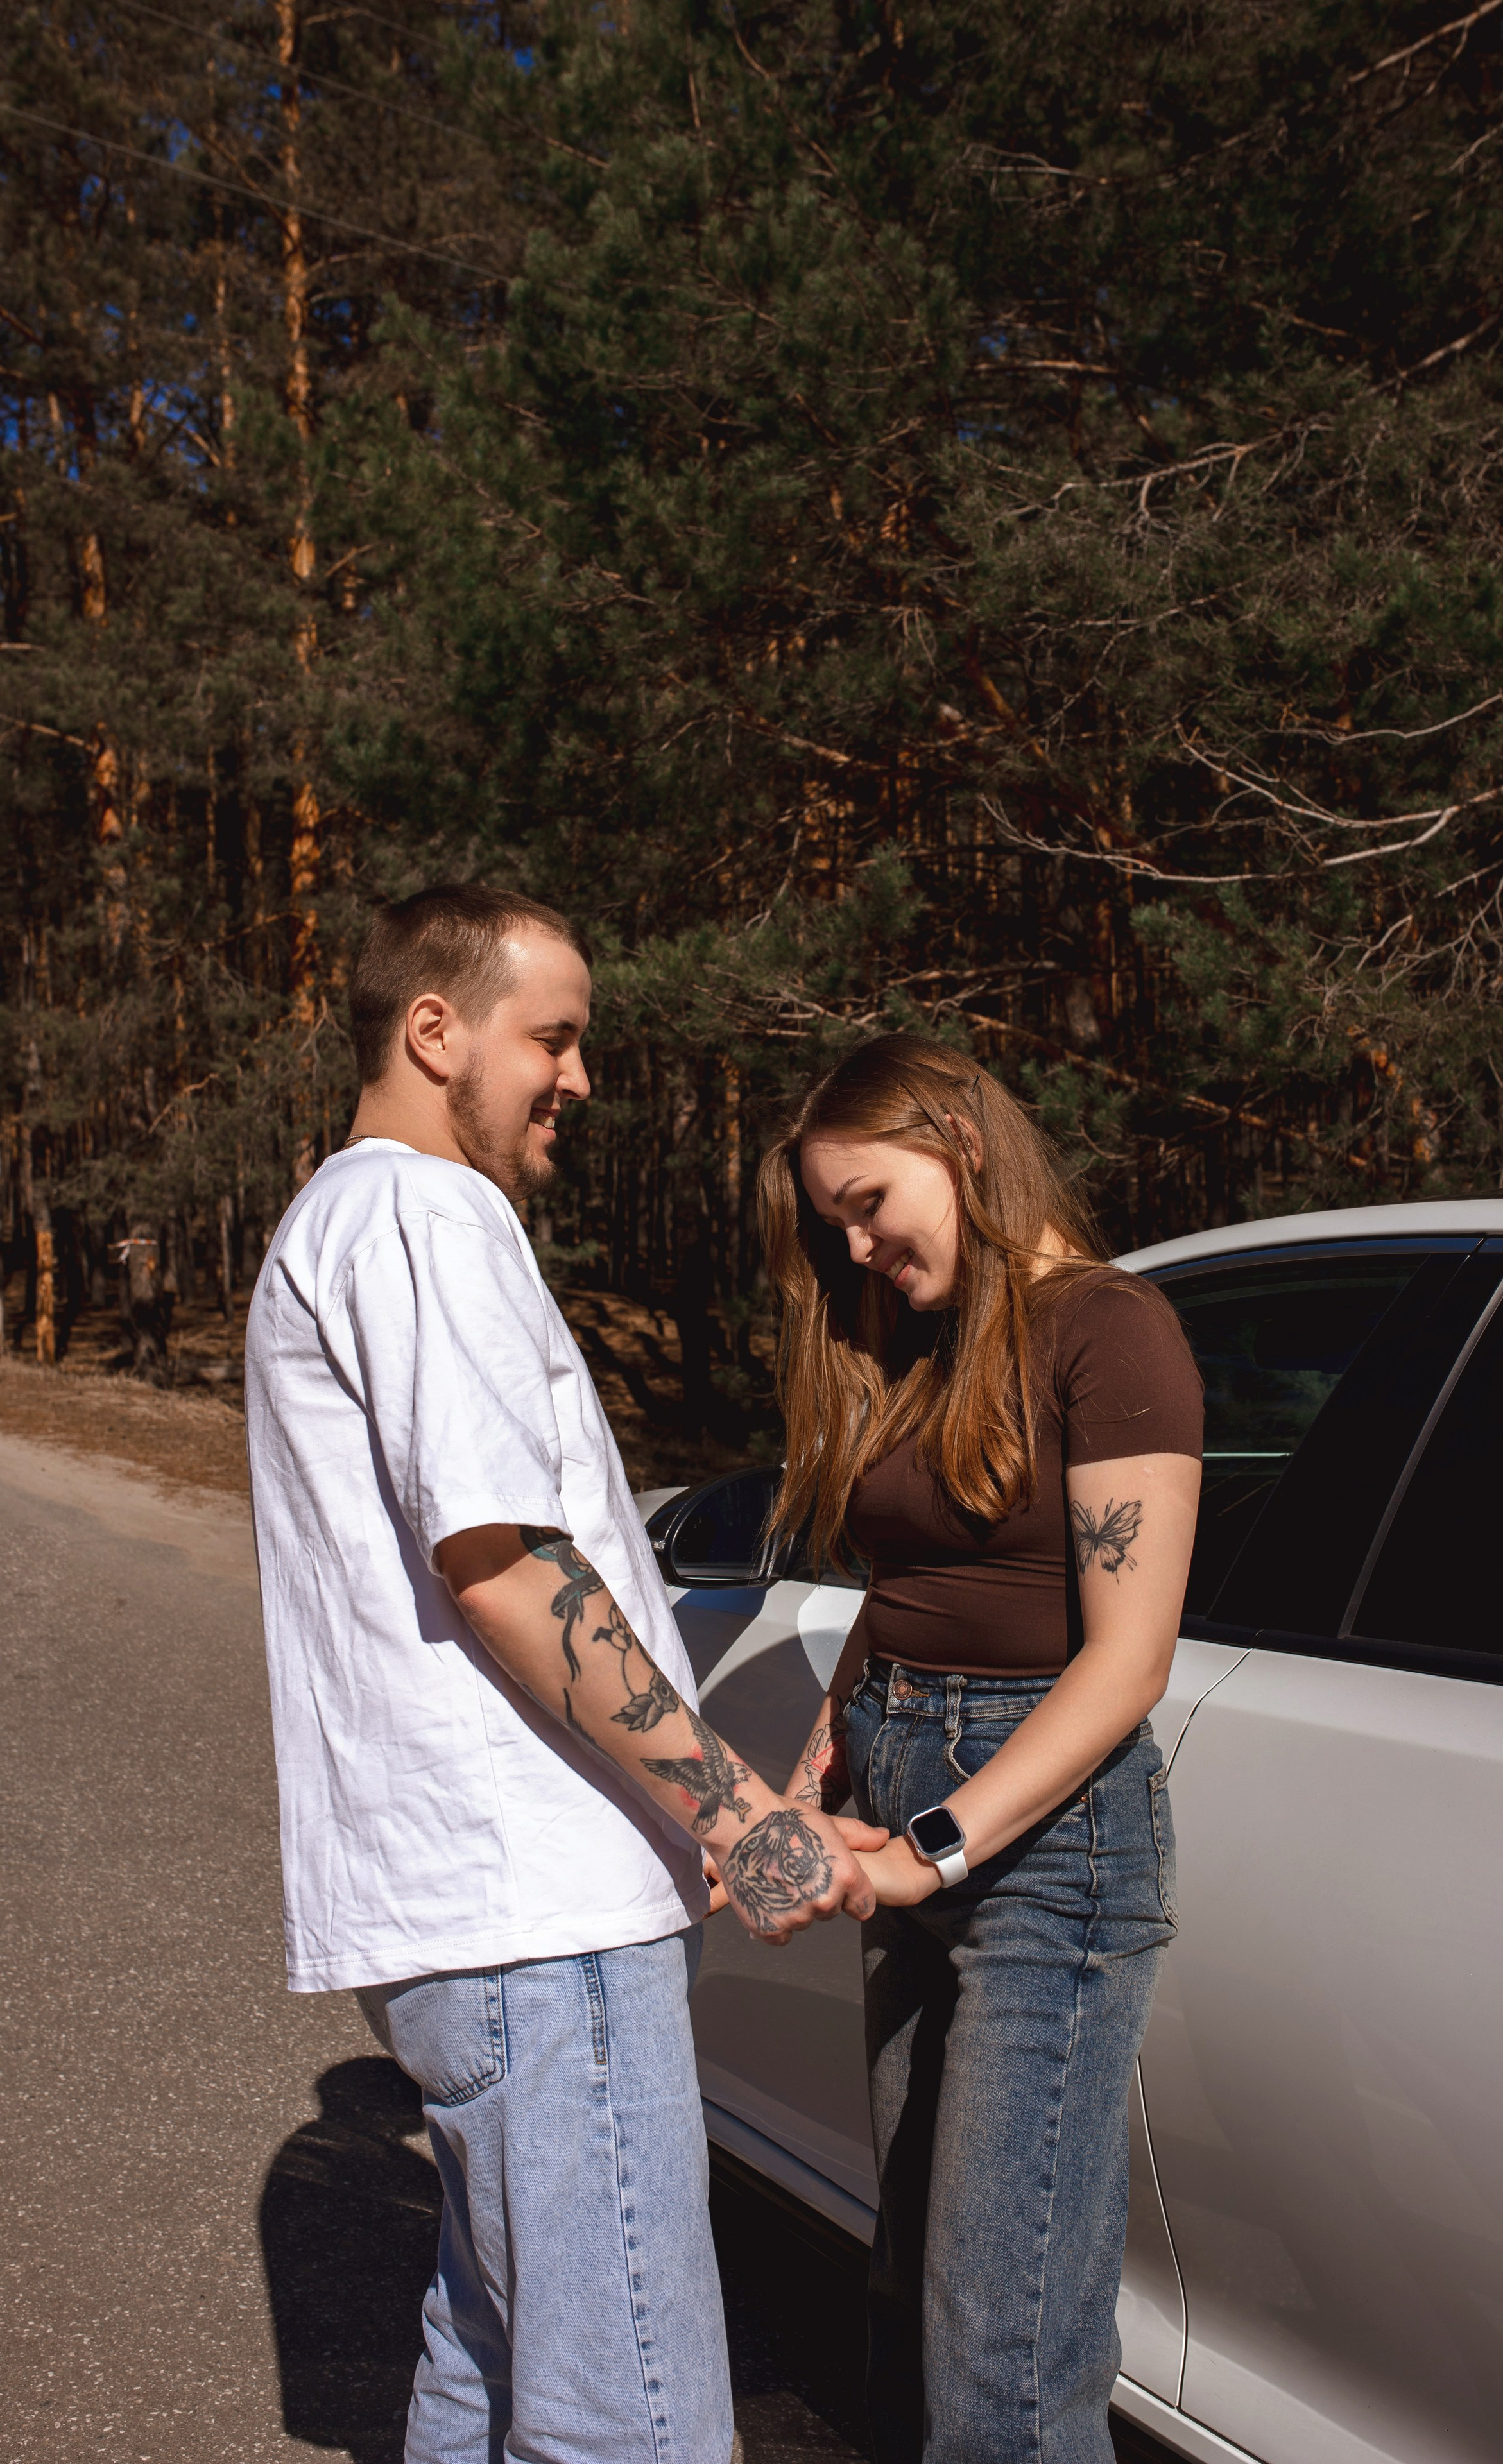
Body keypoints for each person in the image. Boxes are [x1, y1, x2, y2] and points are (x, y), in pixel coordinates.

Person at [245, 883, 882, 2464]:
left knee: (489, 2352)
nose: (579, 1078)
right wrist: (739, 1818)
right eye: (556, 1037)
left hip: (476, 1913)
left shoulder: (344, 1219)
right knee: (635, 2421)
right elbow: (509, 1564)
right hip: (535, 1911)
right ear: (434, 1029)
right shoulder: (419, 1212)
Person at [757, 1032, 1203, 2464]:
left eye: (869, 1202)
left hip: (1039, 1850)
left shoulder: (1108, 1326)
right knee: (916, 2296)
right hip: (899, 1789)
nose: (859, 1245)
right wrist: (801, 1784)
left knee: (1001, 2352)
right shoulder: (927, 1342)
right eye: (837, 1222)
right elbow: (897, 1605)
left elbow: (1127, 1657)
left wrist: (932, 1849)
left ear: (955, 1136)